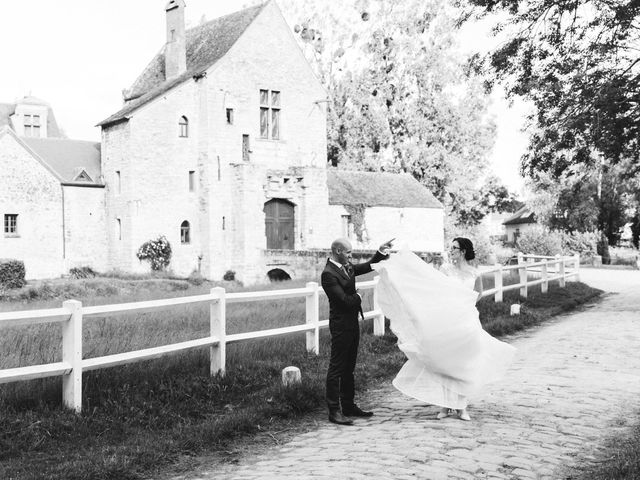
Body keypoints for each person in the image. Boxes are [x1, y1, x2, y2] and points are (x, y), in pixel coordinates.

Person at [372, 237, 516, 422]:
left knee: (464, 363)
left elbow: (478, 294)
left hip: (467, 321)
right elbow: (434, 288)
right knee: (447, 361)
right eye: (451, 247)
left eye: (455, 248)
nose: (451, 250)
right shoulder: (445, 270)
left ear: (463, 251)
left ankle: (461, 406)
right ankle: (446, 405)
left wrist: (465, 305)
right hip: (448, 321)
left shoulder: (474, 273)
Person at [321, 237, 393, 425]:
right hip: (340, 326)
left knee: (349, 367)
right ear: (338, 251)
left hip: (352, 323)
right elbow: (344, 301)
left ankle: (349, 406)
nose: (351, 256)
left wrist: (381, 252)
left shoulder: (347, 266)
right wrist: (359, 296)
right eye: (348, 253)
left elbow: (369, 266)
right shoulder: (328, 274)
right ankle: (334, 411)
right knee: (336, 368)